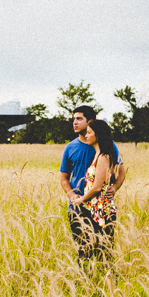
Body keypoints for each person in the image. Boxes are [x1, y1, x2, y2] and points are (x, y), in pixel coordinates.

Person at [58, 106, 124, 260]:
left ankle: (104, 282)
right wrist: (72, 195)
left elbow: (121, 171)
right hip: (77, 208)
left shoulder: (107, 146)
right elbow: (63, 177)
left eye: (79, 119)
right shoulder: (70, 148)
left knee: (104, 252)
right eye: (73, 119)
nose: (74, 122)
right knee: (82, 252)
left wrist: (114, 188)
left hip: (100, 208)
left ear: (91, 122)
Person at [72, 118, 125, 258]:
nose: (86, 135)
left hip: (101, 211)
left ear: (98, 135)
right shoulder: (98, 154)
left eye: (89, 133)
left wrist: (80, 200)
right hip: (94, 209)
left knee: (102, 251)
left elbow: (96, 188)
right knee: (94, 251)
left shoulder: (103, 157)